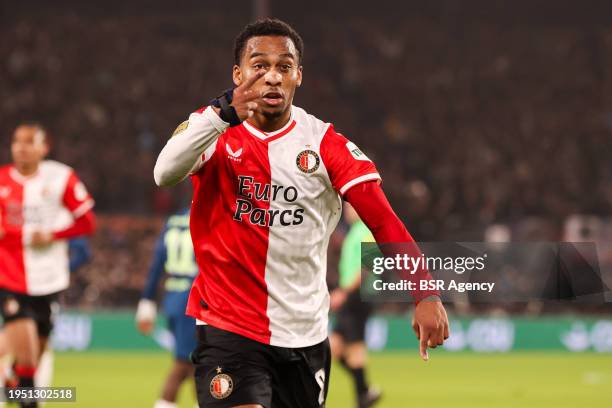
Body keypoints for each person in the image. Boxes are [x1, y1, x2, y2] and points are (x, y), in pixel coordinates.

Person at [154, 18, 449, 408]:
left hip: (304, 336)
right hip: (228, 327)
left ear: (299, 76)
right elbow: (164, 173)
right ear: (238, 74)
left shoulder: (325, 144)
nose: (272, 77)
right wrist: (219, 116)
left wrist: (424, 290)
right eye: (260, 65)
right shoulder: (211, 128)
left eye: (284, 66)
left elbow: (382, 220)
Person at [0, 123, 96, 408]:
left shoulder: (61, 177)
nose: (21, 147)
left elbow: (87, 221)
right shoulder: (2, 181)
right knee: (29, 367)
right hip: (11, 279)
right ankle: (27, 397)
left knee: (31, 360)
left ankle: (11, 383)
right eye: (17, 141)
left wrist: (53, 235)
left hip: (50, 281)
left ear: (44, 147)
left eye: (30, 142)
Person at [136, 208, 198, 408]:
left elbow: (156, 265)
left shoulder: (173, 220)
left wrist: (146, 302)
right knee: (189, 363)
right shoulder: (207, 213)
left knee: (192, 363)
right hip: (194, 300)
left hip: (173, 298)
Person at [329, 203, 380, 408]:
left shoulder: (367, 231)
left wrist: (344, 292)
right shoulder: (354, 232)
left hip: (358, 296)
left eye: (352, 206)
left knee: (355, 346)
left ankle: (363, 396)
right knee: (333, 348)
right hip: (351, 296)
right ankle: (365, 389)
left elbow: (366, 267)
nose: (348, 210)